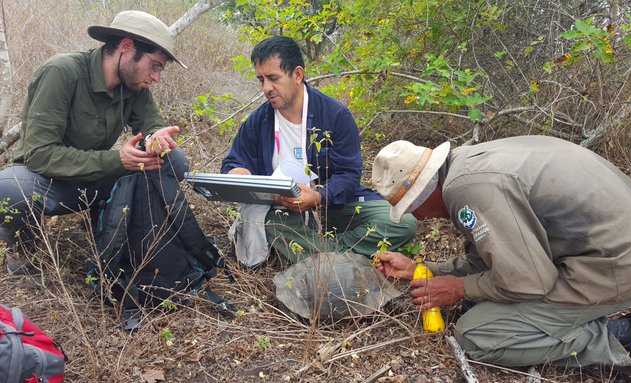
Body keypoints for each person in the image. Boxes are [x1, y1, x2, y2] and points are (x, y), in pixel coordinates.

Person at [370, 136, 631, 382]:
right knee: (486, 300)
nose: (419, 218)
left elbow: (529, 280)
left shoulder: (470, 189)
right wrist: (423, 271)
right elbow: (497, 259)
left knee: (477, 334)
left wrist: (458, 289)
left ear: (426, 192)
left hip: (622, 266)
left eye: (413, 207)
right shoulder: (467, 164)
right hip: (630, 250)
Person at [0, 11, 188, 274]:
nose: (156, 77)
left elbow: (151, 124)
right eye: (154, 65)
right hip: (49, 181)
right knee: (9, 190)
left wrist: (156, 138)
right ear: (126, 47)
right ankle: (24, 248)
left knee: (175, 161)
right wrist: (117, 160)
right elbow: (39, 155)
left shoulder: (134, 84)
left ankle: (116, 235)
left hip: (96, 181)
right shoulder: (62, 72)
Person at [220, 36, 417, 265]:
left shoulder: (335, 115)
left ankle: (320, 254)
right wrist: (237, 172)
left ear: (297, 75)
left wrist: (316, 197)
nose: (266, 88)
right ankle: (333, 257)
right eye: (261, 80)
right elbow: (233, 161)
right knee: (262, 220)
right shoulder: (258, 121)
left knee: (403, 223)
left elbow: (349, 175)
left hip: (330, 207)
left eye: (273, 78)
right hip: (284, 211)